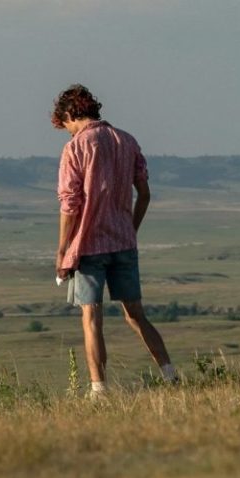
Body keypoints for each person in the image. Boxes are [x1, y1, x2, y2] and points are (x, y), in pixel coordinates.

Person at [51, 84, 178, 396]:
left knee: (91, 317)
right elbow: (144, 194)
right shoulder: (127, 140)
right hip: (123, 242)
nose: (67, 132)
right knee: (136, 315)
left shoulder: (75, 148)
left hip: (88, 244)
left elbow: (70, 205)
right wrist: (130, 229)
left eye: (65, 125)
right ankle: (169, 374)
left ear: (71, 115)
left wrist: (62, 249)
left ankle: (99, 390)